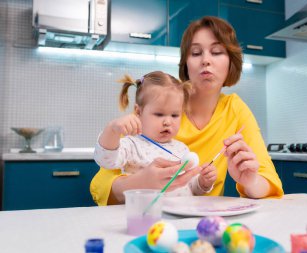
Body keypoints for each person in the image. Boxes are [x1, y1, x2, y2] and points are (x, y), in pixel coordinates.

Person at [90, 16, 283, 206]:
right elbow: (102, 181)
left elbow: (268, 180)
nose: (206, 60)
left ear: (231, 62)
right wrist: (141, 183)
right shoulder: (161, 102)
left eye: (216, 52)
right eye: (196, 53)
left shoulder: (235, 109)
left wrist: (250, 181)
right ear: (185, 64)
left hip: (203, 220)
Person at [93, 71, 217, 198]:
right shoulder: (131, 144)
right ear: (138, 111)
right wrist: (112, 130)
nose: (167, 122)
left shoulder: (182, 148)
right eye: (159, 114)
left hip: (182, 215)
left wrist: (203, 182)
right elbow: (105, 160)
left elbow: (192, 188)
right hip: (147, 214)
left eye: (175, 115)